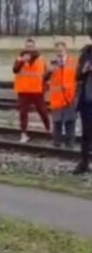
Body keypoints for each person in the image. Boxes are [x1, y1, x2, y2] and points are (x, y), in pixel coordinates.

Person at [13, 38, 50, 143]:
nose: (29, 48)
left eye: (31, 46)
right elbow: (15, 70)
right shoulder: (19, 58)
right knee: (23, 113)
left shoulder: (41, 59)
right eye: (27, 46)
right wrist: (22, 61)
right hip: (23, 90)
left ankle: (48, 128)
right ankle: (24, 134)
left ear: (34, 47)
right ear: (25, 47)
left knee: (43, 111)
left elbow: (45, 74)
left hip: (37, 90)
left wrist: (46, 84)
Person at [45, 41, 78, 149]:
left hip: (69, 97)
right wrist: (49, 71)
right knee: (57, 122)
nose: (59, 53)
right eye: (57, 51)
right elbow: (44, 78)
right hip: (57, 98)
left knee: (70, 121)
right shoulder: (52, 63)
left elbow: (79, 77)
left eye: (61, 50)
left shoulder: (74, 61)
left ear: (65, 50)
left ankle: (70, 143)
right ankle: (57, 142)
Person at [75, 35, 92, 174]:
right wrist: (84, 70)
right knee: (86, 133)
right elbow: (77, 75)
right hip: (87, 99)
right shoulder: (85, 54)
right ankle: (84, 163)